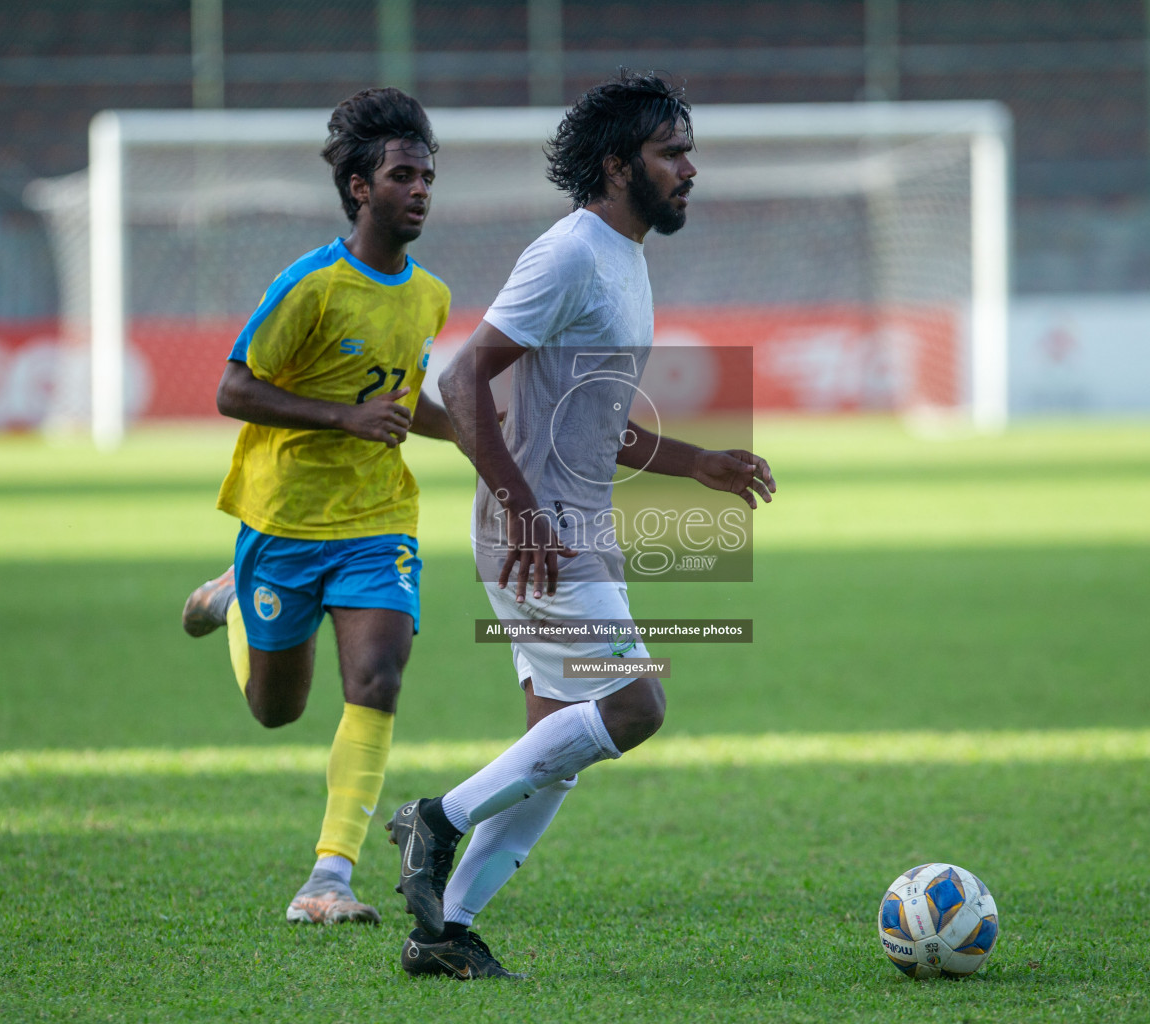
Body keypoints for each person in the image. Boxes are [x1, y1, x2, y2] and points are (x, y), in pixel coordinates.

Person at [385, 70, 777, 980]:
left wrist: (697, 464)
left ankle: (440, 931)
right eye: (670, 152)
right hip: (540, 528)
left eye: (689, 152)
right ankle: (434, 820)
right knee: (635, 706)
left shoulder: (625, 258)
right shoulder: (568, 253)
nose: (689, 169)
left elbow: (588, 423)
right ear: (617, 164)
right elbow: (459, 382)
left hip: (569, 521)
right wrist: (522, 510)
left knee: (551, 749)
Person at [179, 87, 455, 925]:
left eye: (427, 176)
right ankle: (235, 596)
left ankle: (329, 878)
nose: (420, 190)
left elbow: (402, 404)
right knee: (277, 709)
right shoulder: (310, 286)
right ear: (361, 188)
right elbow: (232, 388)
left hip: (377, 520)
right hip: (285, 519)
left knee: (377, 678)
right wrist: (343, 418)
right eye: (403, 175)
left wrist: (491, 444)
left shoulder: (430, 295)